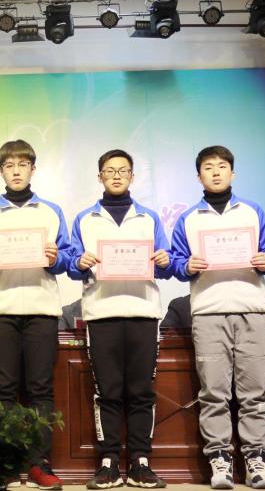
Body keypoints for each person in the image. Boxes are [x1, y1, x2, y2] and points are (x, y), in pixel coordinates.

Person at [171, 146, 265, 490]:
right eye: (208, 167)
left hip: (252, 310)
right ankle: (220, 461)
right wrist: (186, 266)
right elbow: (175, 261)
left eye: (222, 166)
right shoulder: (189, 219)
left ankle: (257, 461)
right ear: (198, 175)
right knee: (213, 392)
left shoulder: (252, 211)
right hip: (208, 312)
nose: (216, 172)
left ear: (233, 173)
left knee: (254, 392)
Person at [0, 139, 75, 490]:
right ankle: (3, 464)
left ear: (33, 169)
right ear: (1, 171)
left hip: (41, 308)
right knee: (3, 390)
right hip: (0, 308)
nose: (16, 171)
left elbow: (69, 259)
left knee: (40, 390)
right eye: (9, 166)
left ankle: (38, 463)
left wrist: (56, 258)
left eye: (23, 165)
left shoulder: (51, 211)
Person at [68, 149, 173, 489]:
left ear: (132, 176)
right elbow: (70, 263)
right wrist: (78, 262)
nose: (116, 175)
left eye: (123, 170)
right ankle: (109, 461)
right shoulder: (85, 218)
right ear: (99, 176)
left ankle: (141, 462)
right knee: (107, 392)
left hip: (143, 312)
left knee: (142, 391)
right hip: (101, 313)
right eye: (110, 170)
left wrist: (164, 260)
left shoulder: (149, 218)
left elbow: (168, 263)